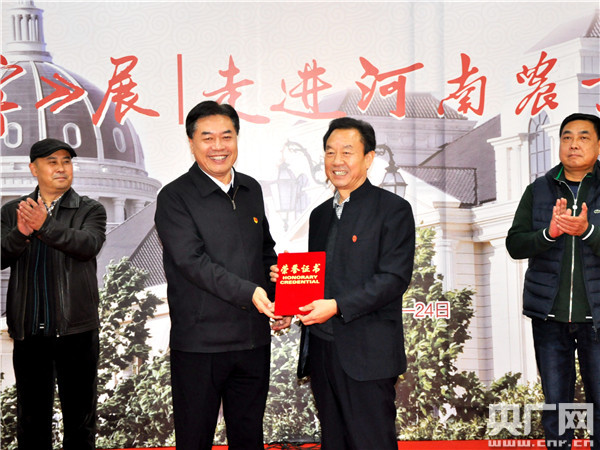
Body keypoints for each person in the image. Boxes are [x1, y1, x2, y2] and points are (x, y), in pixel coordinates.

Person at [272, 117, 415, 449]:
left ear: (369, 158)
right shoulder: (320, 215)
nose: (337, 161)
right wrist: (290, 297)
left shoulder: (393, 210)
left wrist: (336, 306)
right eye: (330, 152)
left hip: (369, 356)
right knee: (333, 442)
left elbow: (393, 278)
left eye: (347, 152)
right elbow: (321, 278)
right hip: (323, 353)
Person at [154, 100, 290, 450]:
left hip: (252, 341)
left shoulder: (251, 189)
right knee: (194, 439)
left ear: (237, 138)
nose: (218, 146)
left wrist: (280, 297)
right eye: (208, 138)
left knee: (249, 437)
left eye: (226, 136)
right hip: (200, 345)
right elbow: (192, 262)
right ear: (191, 142)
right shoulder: (174, 197)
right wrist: (250, 293)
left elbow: (265, 251)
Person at [1, 138, 107, 450]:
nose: (61, 168)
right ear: (34, 169)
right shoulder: (12, 211)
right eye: (52, 162)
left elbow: (87, 246)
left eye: (66, 161)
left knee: (80, 422)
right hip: (29, 331)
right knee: (31, 422)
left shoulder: (90, 209)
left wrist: (44, 225)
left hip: (77, 330)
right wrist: (21, 233)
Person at [506, 113, 600, 449]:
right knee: (557, 407)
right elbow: (515, 244)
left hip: (597, 319)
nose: (574, 144)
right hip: (549, 318)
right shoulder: (538, 190)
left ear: (598, 145)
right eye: (567, 137)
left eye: (583, 137)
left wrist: (588, 231)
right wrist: (549, 233)